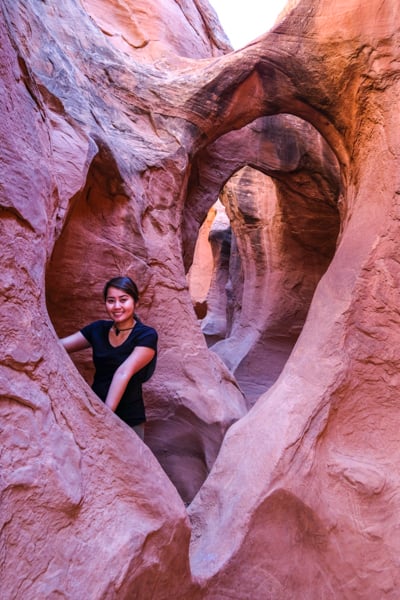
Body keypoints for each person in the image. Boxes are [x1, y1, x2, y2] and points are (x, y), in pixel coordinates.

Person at [61, 276, 158, 440]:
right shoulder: (97, 329)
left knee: (130, 465)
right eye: (111, 300)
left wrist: (105, 418)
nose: (117, 306)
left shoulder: (146, 335)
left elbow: (123, 372)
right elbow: (57, 346)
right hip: (94, 412)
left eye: (123, 300)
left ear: (136, 302)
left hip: (128, 420)